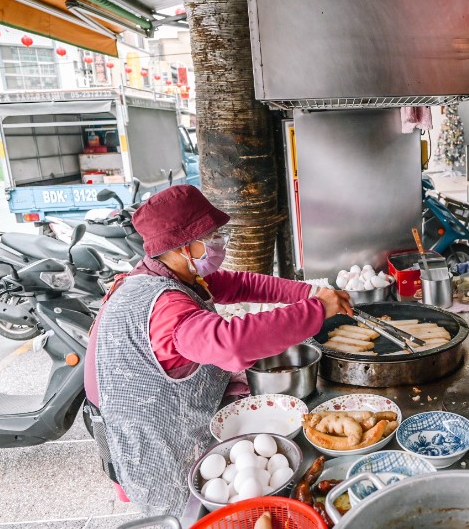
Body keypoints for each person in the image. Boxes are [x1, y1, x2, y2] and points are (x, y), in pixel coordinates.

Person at [83, 185, 352, 516]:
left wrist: (310, 292)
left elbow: (240, 284)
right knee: (187, 513)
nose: (217, 242)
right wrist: (316, 312)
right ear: (181, 247)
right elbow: (232, 344)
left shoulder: (175, 272)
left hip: (160, 413)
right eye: (209, 236)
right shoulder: (166, 308)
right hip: (149, 438)